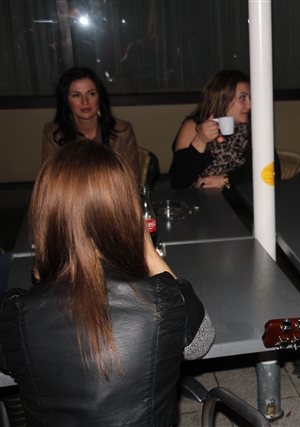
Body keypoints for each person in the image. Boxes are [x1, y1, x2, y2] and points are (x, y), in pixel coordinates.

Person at [0, 141, 215, 426]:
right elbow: (200, 343)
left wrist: (48, 254)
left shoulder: (15, 314)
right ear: (125, 211)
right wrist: (146, 246)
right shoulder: (162, 299)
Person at [169, 69, 279, 194]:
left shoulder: (255, 128)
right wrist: (200, 141)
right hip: (198, 201)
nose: (250, 104)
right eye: (243, 98)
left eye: (250, 97)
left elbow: (272, 172)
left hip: (241, 201)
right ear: (222, 99)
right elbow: (179, 182)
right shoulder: (193, 127)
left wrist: (225, 179)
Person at [42, 66, 141, 182]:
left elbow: (133, 179)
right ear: (66, 101)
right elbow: (49, 181)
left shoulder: (122, 131)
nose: (85, 102)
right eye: (76, 95)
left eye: (91, 94)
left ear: (99, 97)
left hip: (114, 193)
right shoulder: (54, 134)